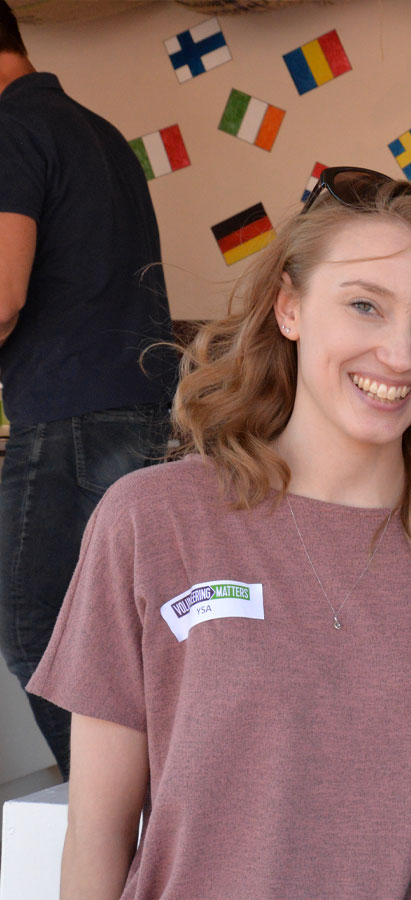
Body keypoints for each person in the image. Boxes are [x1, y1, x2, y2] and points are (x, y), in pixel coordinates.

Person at [27, 167, 411, 899]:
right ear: (289, 307)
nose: (400, 354)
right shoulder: (152, 521)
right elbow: (99, 834)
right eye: (365, 305)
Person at [0, 0, 177, 776]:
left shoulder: (10, 130)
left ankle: (112, 806)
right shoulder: (98, 131)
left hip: (67, 414)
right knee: (127, 633)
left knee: (32, 626)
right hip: (145, 406)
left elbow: (1, 293)